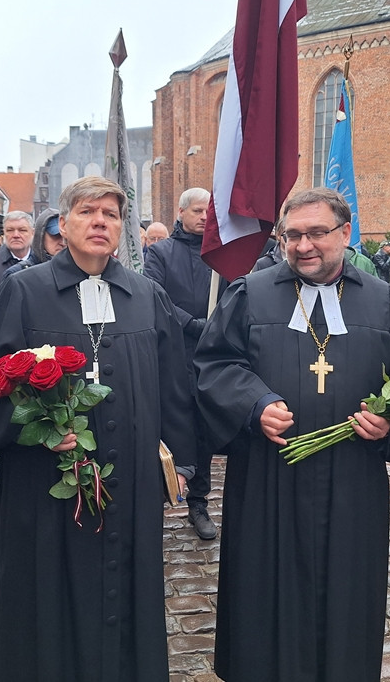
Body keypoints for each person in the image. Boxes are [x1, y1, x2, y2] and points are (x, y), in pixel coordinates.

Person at [0, 176, 196, 682]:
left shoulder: (146, 296)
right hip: (44, 487)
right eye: (88, 212)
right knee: (47, 592)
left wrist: (183, 465)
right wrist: (36, 431)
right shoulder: (23, 291)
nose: (100, 222)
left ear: (122, 228)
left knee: (127, 589)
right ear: (63, 225)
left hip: (131, 484)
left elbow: (176, 388)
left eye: (111, 214)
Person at [193, 188, 390, 682]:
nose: (303, 246)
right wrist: (254, 404)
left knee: (347, 585)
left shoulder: (385, 302)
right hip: (268, 475)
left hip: (353, 478)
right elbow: (214, 365)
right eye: (293, 235)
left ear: (344, 233)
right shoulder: (250, 293)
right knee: (264, 583)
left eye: (317, 233)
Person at [144, 187, 224, 540]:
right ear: (180, 212)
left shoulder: (219, 254)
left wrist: (218, 326)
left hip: (210, 354)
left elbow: (233, 295)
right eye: (197, 210)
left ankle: (198, 502)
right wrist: (191, 324)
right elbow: (153, 296)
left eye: (209, 211)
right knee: (169, 424)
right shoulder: (161, 252)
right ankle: (156, 494)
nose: (204, 216)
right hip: (172, 351)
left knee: (203, 430)